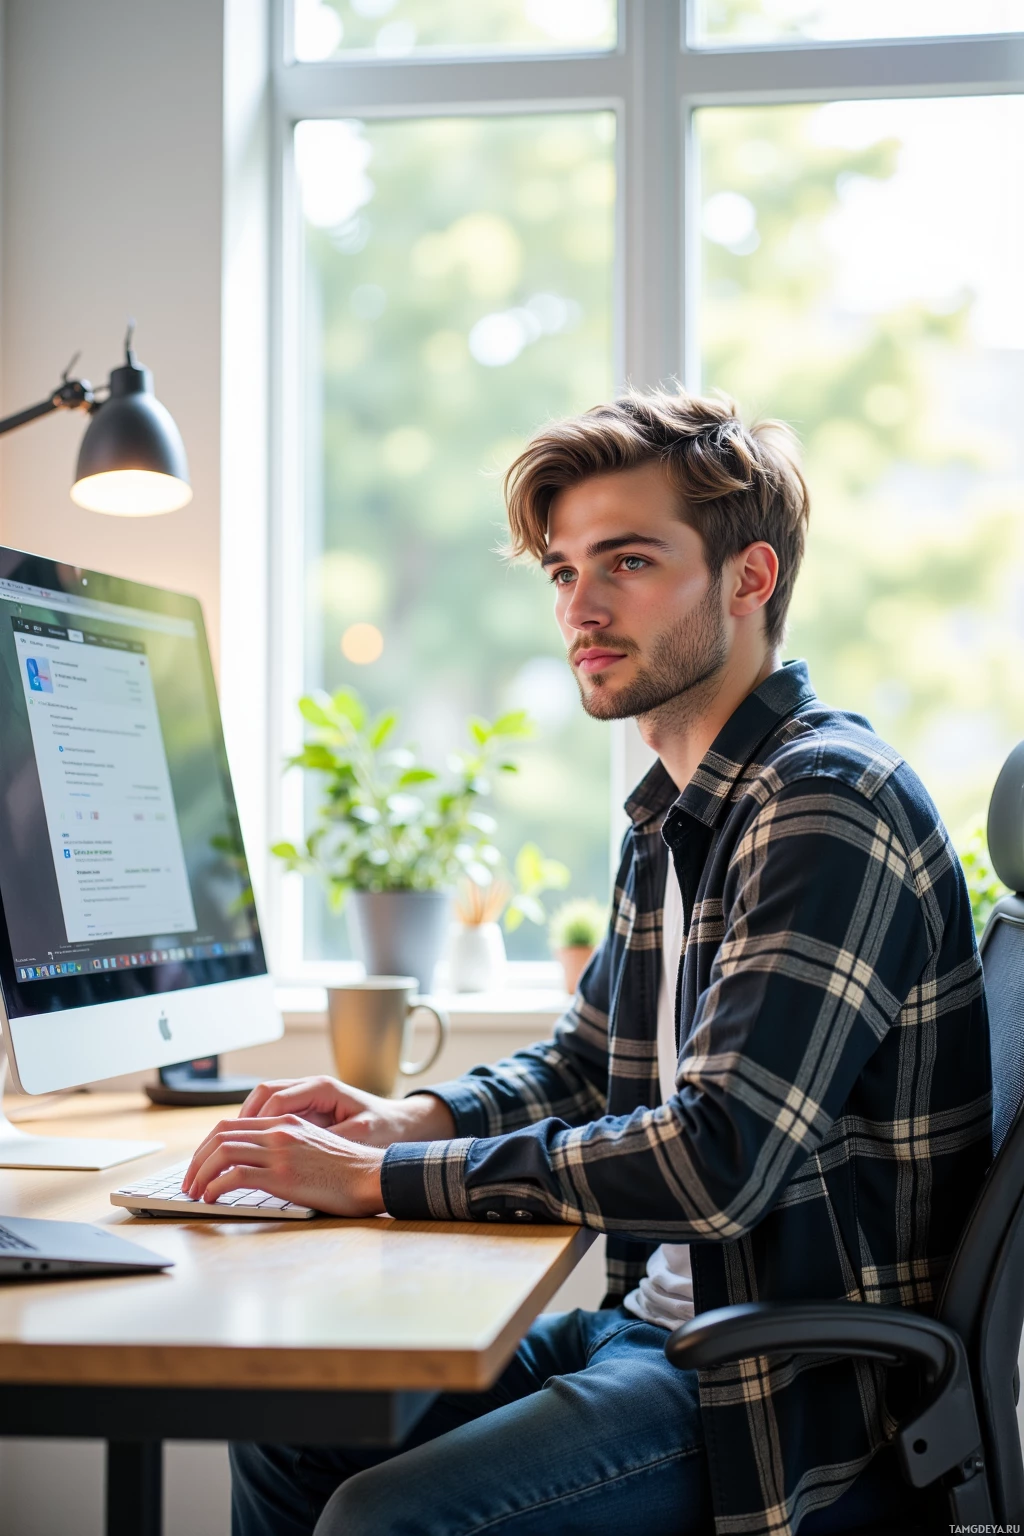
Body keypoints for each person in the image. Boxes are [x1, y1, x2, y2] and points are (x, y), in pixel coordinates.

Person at [185, 389, 992, 1536]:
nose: (581, 606)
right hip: (660, 1331)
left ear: (748, 578)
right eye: (564, 571)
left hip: (783, 1392)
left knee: (384, 1518)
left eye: (627, 561)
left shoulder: (824, 806)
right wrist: (404, 1121)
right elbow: (582, 1062)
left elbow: (719, 1160)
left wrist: (371, 1185)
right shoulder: (677, 814)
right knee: (291, 1423)